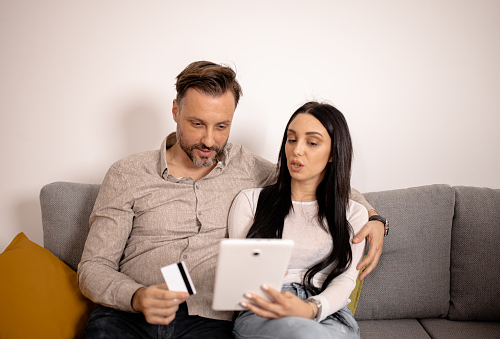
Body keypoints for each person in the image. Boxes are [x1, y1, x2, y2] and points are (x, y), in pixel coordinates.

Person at [78, 61, 387, 338]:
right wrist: (136, 296)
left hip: (210, 320)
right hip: (129, 316)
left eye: (222, 126)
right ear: (175, 111)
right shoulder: (126, 174)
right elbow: (93, 266)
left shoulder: (247, 167)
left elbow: (315, 179)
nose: (210, 140)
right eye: (197, 124)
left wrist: (372, 216)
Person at [228, 102, 368, 339]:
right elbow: (242, 277)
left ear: (334, 153)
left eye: (312, 143)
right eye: (291, 139)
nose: (297, 150)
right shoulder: (251, 201)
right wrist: (263, 275)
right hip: (267, 306)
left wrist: (310, 308)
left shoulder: (353, 212)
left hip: (328, 311)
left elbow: (345, 280)